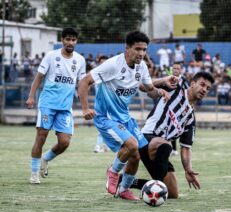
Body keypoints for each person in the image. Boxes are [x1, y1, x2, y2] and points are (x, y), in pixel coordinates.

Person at [78, 31, 176, 201]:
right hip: (106, 117)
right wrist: (85, 109)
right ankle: (113, 171)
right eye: (138, 49)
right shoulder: (113, 65)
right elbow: (84, 81)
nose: (141, 53)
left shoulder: (142, 67)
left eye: (144, 49)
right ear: (127, 48)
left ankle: (123, 189)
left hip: (124, 117)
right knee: (131, 145)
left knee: (136, 154)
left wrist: (160, 89)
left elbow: (147, 88)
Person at [119, 71, 214, 198]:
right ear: (192, 83)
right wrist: (163, 80)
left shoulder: (190, 118)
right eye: (202, 84)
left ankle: (125, 181)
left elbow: (186, 147)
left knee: (172, 193)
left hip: (161, 151)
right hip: (146, 139)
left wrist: (188, 169)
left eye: (207, 88)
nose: (204, 89)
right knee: (166, 145)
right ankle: (155, 191)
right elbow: (143, 86)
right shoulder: (176, 88)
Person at [26, 27, 86, 184]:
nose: (70, 42)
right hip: (47, 104)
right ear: (62, 40)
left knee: (64, 142)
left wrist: (83, 97)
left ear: (76, 41)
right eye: (68, 39)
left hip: (65, 107)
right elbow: (39, 77)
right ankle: (34, 173)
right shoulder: (51, 56)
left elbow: (82, 82)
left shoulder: (80, 60)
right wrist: (31, 97)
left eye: (73, 40)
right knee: (41, 136)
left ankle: (45, 159)